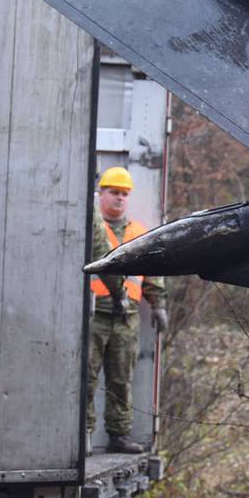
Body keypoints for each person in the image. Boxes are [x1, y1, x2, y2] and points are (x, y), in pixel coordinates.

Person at [86, 166, 167, 453]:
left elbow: (152, 274)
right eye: (113, 192)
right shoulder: (92, 229)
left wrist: (158, 305)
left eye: (124, 194)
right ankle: (83, 435)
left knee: (121, 380)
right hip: (93, 315)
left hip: (126, 319)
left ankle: (118, 436)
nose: (119, 199)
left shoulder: (138, 233)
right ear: (101, 194)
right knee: (87, 376)